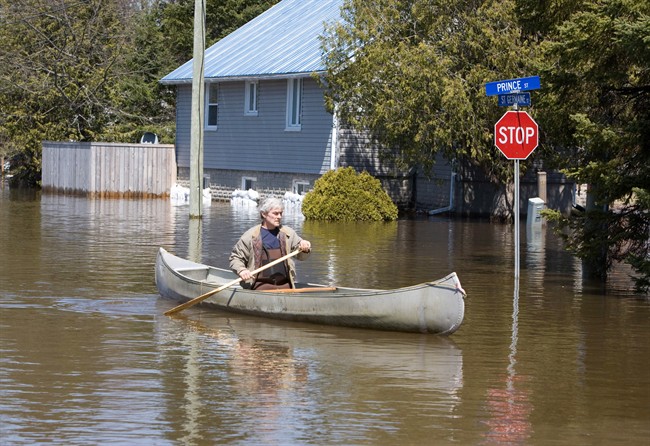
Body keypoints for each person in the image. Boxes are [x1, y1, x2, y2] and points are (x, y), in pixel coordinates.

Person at [229, 197, 311, 290]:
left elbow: (301, 256)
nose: (279, 216)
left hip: (285, 286)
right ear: (264, 214)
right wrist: (242, 270)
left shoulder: (288, 233)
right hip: (259, 287)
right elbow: (235, 258)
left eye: (281, 213)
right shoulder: (250, 236)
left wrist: (305, 247)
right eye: (275, 213)